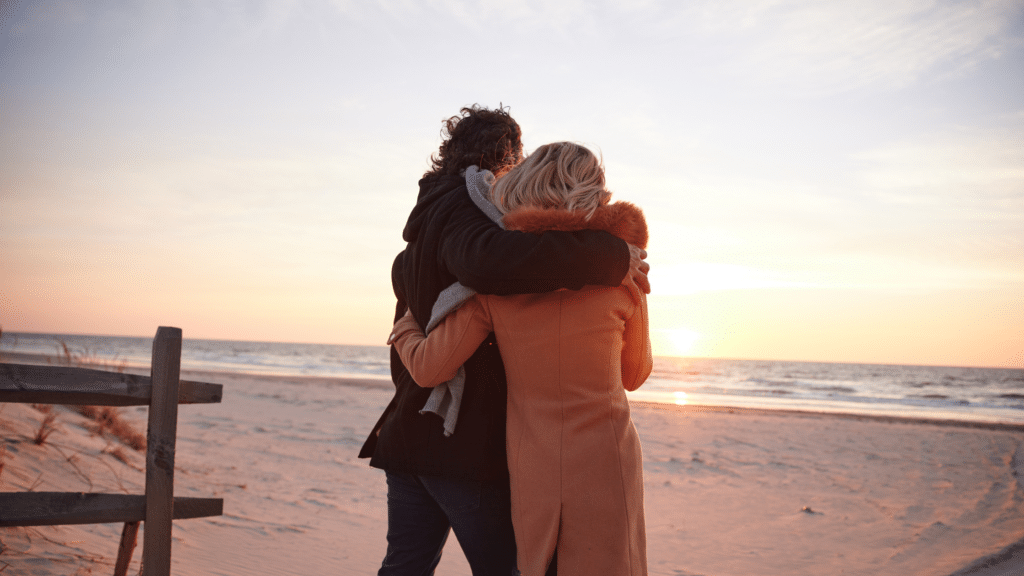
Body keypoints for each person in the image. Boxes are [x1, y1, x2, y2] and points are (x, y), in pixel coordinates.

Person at [359, 107, 650, 575]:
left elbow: (429, 355)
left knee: (406, 567)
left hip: (464, 445)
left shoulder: (449, 255)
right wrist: (615, 253)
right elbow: (635, 374)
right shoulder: (618, 278)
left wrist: (406, 326)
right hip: (536, 454)